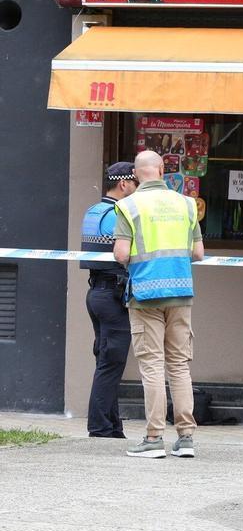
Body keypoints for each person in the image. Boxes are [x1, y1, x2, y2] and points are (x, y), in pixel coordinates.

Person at [113, 150, 204, 459]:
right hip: (180, 292)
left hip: (145, 295)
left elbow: (122, 254)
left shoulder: (128, 206)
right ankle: (186, 438)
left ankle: (154, 438)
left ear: (136, 175)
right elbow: (199, 252)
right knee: (179, 365)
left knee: (152, 365)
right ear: (164, 170)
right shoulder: (187, 204)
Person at [81, 161, 139, 438]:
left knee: (107, 361)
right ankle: (101, 428)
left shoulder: (94, 210)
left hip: (97, 293)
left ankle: (113, 427)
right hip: (113, 295)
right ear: (124, 184)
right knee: (111, 363)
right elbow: (123, 254)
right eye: (136, 183)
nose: (138, 189)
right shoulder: (118, 212)